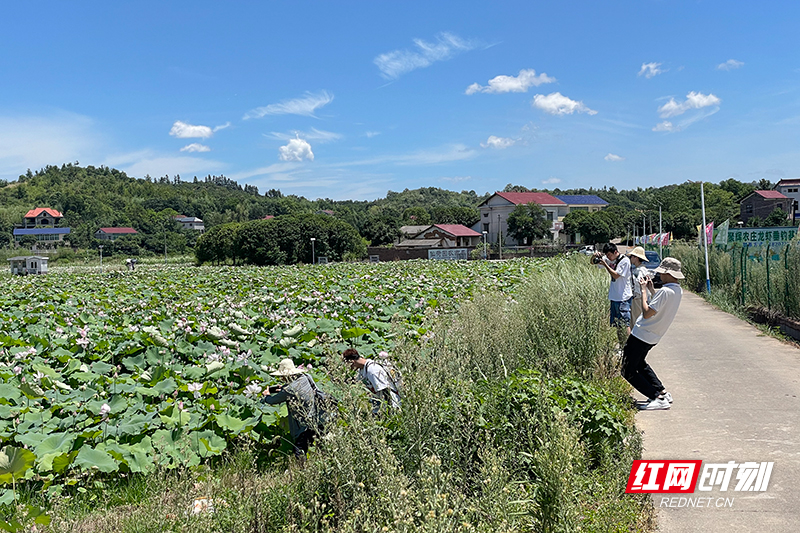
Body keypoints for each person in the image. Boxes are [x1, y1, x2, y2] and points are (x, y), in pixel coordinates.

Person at [621, 257, 684, 411]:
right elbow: (661, 304)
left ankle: (656, 396)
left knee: (627, 369)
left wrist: (643, 291)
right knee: (640, 364)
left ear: (668, 274)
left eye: (662, 273)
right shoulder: (677, 290)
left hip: (642, 333)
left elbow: (648, 312)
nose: (659, 275)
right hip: (654, 335)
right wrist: (650, 290)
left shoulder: (665, 291)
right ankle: (661, 391)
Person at [261, 358, 319, 457]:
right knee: (313, 446)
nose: (282, 379)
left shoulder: (289, 390)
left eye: (282, 376)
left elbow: (272, 401)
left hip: (303, 424)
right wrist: (283, 388)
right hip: (316, 417)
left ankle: (301, 470)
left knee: (299, 450)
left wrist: (266, 395)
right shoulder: (306, 377)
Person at [343, 348, 400, 415]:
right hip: (379, 406)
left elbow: (386, 391)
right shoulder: (362, 369)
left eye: (347, 365)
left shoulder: (372, 370)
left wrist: (388, 411)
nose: (348, 368)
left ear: (352, 362)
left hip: (391, 406)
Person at [595, 243, 633, 342]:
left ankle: (628, 347)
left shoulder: (625, 261)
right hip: (614, 297)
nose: (608, 258)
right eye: (606, 256)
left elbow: (616, 275)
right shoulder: (610, 259)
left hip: (623, 297)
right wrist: (595, 256)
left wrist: (605, 264)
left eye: (609, 255)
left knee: (625, 325)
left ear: (615, 252)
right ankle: (621, 346)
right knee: (617, 325)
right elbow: (593, 262)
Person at [628, 247, 655, 325]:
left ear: (636, 258)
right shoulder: (641, 269)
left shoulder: (639, 270)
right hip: (641, 298)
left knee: (636, 322)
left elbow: (640, 284)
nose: (630, 258)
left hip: (638, 298)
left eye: (631, 256)